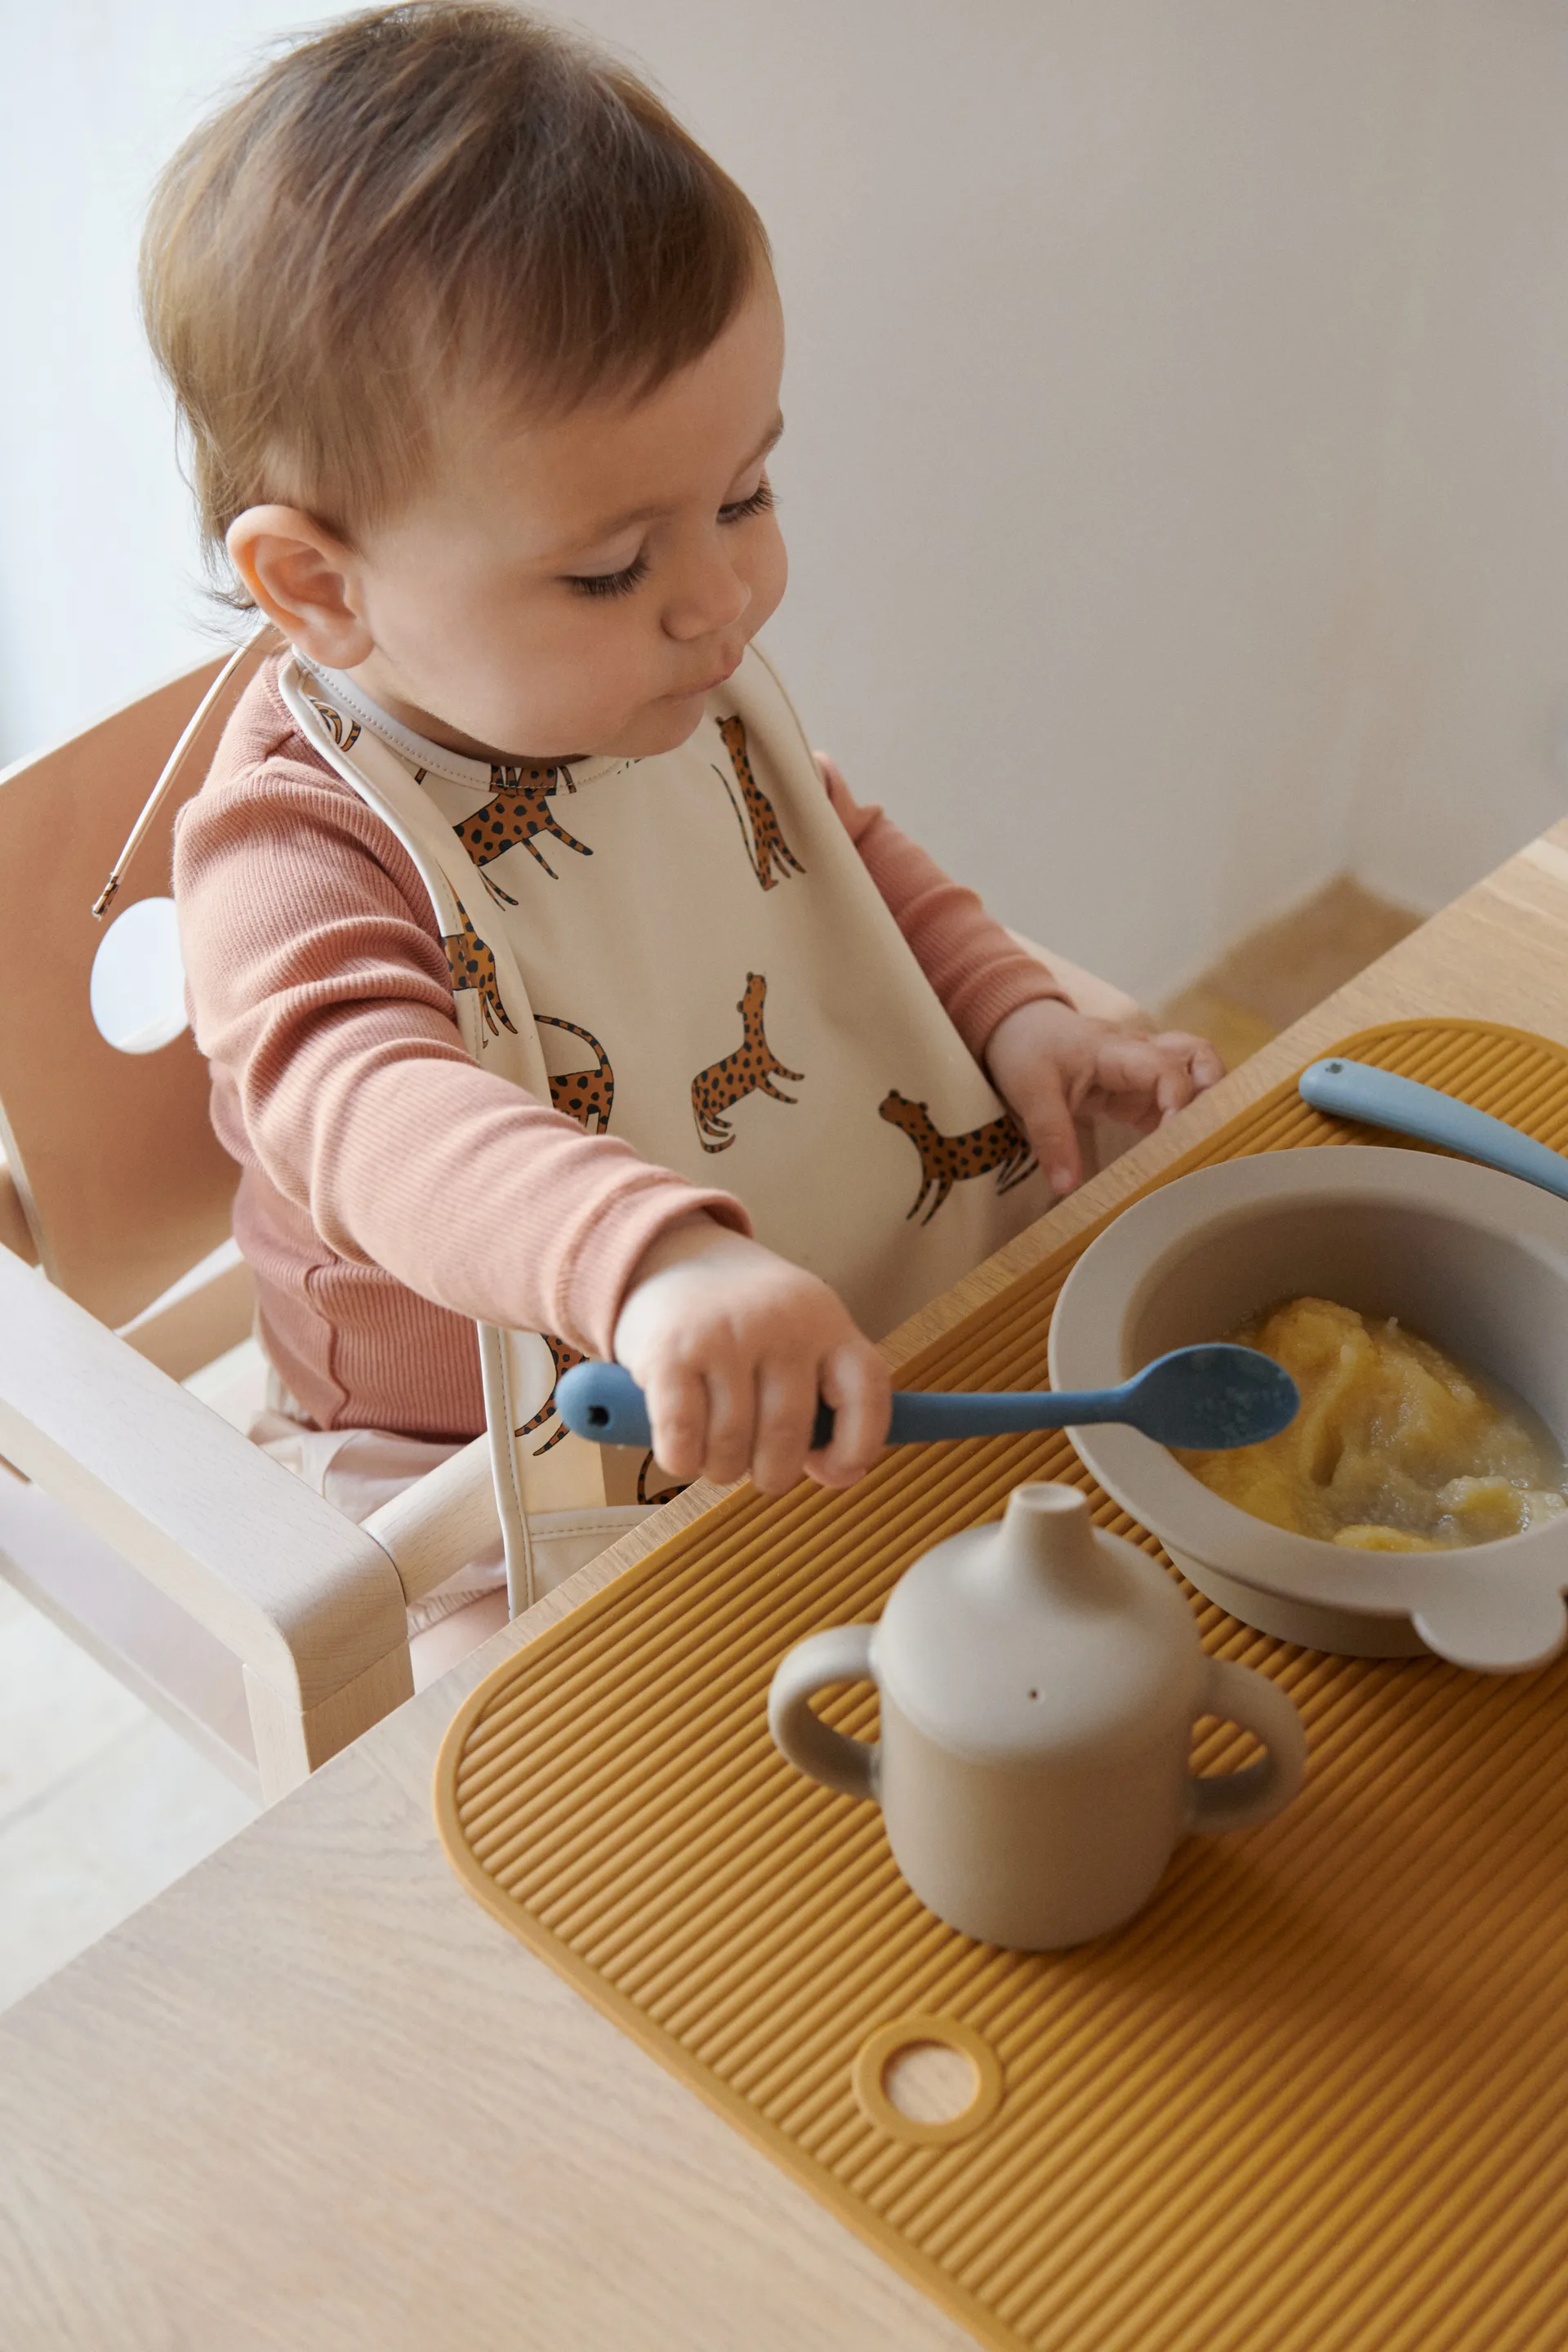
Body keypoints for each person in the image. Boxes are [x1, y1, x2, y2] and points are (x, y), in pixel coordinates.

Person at [147, 2, 1221, 1650]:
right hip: (470, 1462)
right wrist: (647, 1264)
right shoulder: (288, 849)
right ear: (317, 583)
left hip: (783, 1279)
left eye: (745, 497)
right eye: (611, 566)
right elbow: (374, 1114)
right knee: (537, 1777)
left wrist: (1013, 1006)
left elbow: (831, 854)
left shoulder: (653, 672)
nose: (723, 603)